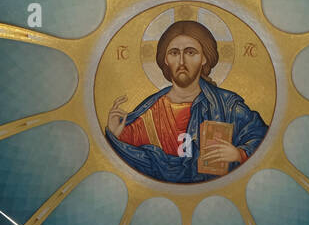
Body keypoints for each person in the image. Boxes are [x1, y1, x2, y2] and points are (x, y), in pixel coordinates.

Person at [106, 20, 268, 182]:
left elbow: (261, 136)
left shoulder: (227, 106)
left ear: (204, 58)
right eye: (174, 53)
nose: (182, 61)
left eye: (190, 52)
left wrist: (239, 154)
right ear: (166, 59)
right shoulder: (148, 112)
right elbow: (126, 158)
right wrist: (115, 135)